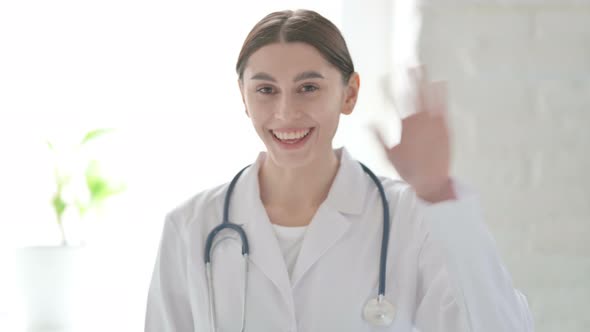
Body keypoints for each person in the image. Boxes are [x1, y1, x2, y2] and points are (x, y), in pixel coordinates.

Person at [145, 9, 534, 332]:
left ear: (349, 93)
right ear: (243, 98)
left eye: (308, 87)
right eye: (265, 90)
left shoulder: (410, 217)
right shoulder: (191, 227)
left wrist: (438, 195)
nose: (285, 112)